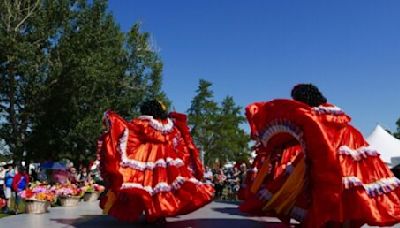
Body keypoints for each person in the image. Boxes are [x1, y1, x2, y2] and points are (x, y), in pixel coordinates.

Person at [240, 84, 400, 227]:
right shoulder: (330, 112)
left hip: (333, 148)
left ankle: (336, 222)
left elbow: (321, 137)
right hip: (350, 141)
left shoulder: (313, 116)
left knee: (335, 190)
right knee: (348, 191)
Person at [98, 100, 214, 223]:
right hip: (168, 160)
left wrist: (114, 122)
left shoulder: (143, 122)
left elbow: (128, 131)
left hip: (147, 158)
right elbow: (178, 142)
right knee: (163, 188)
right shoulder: (170, 125)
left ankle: (152, 212)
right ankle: (159, 213)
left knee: (148, 187)